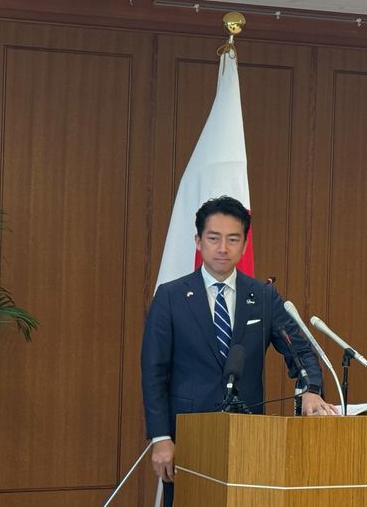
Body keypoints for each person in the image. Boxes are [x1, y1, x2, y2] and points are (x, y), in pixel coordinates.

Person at [141, 195, 338, 506]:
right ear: (198, 241)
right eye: (214, 238)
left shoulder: (262, 296)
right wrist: (161, 438)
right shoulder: (171, 297)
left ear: (244, 245)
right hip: (189, 437)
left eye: (233, 239)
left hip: (250, 437)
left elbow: (299, 350)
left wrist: (311, 388)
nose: (223, 248)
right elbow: (154, 373)